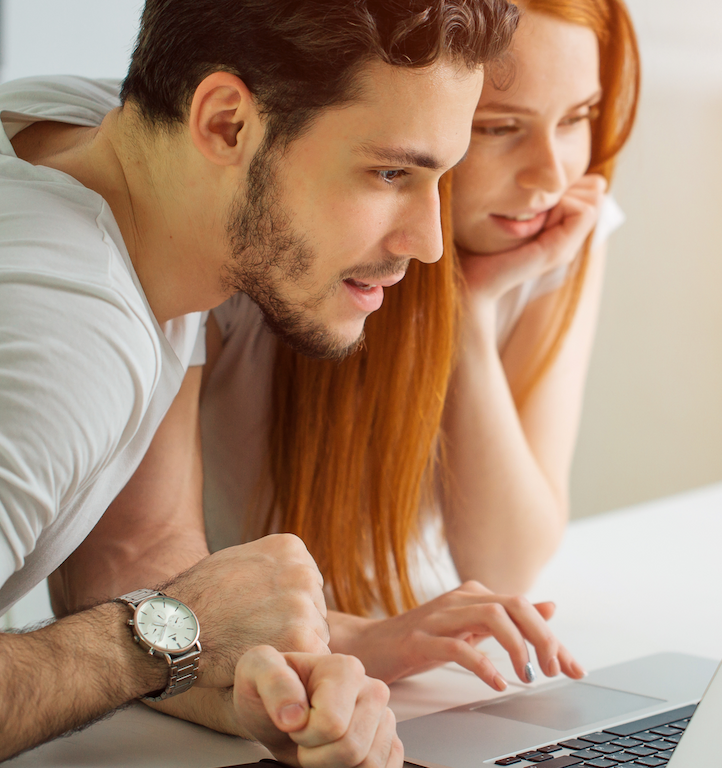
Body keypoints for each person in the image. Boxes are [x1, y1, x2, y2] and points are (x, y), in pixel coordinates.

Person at [0, 1, 520, 766]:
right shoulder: (62, 338)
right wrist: (153, 637)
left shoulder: (78, 130)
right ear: (225, 123)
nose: (426, 241)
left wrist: (260, 680)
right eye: (390, 172)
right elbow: (147, 615)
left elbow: (131, 556)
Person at [192, 0, 640, 691]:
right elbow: (149, 580)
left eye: (578, 117)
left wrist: (467, 310)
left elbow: (506, 560)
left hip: (416, 674)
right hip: (241, 674)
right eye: (498, 128)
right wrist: (363, 640)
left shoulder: (558, 230)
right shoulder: (256, 252)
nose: (550, 176)